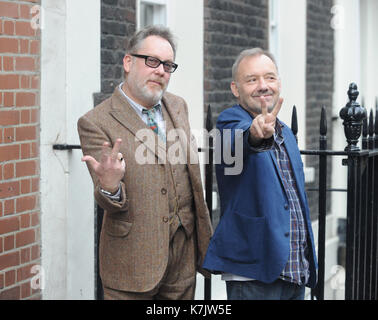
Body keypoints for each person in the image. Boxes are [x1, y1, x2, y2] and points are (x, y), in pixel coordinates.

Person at [77, 25, 212, 300]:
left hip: (182, 259)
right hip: (133, 263)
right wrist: (110, 186)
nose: (160, 70)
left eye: (168, 65)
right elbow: (108, 201)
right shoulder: (95, 122)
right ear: (128, 62)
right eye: (151, 61)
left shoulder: (178, 106)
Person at [202, 48, 318, 300]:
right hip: (254, 274)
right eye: (252, 79)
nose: (263, 86)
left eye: (270, 78)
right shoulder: (227, 123)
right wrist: (255, 135)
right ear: (235, 88)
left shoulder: (286, 132)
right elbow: (240, 142)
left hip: (295, 270)